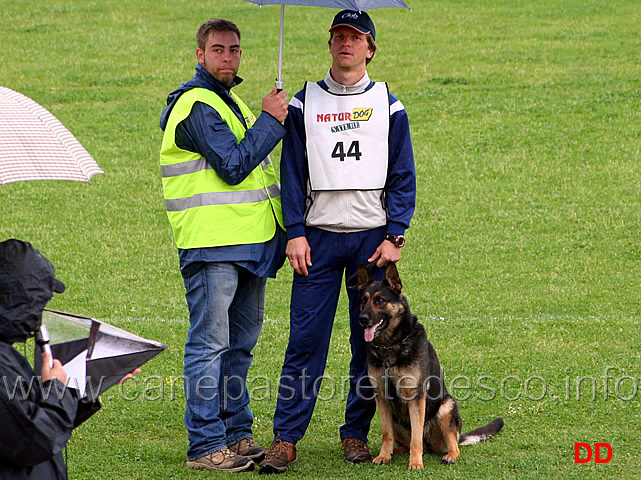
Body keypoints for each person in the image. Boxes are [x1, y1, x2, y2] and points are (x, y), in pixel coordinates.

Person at [259, 9, 416, 474]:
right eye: (339, 36)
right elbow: (291, 174)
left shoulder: (389, 104)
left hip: (372, 243)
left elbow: (403, 173)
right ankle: (286, 439)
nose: (346, 43)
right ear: (329, 45)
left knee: (369, 344)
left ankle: (354, 434)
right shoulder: (304, 103)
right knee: (305, 342)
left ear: (370, 48)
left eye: (356, 37)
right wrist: (295, 233)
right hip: (319, 241)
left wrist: (396, 235)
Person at [159, 18, 289, 473]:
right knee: (210, 345)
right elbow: (234, 166)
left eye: (235, 50)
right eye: (218, 50)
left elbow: (259, 170)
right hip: (213, 247)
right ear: (200, 55)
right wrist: (271, 119)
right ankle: (205, 445)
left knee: (240, 347)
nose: (228, 58)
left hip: (251, 245)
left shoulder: (229, 105)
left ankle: (236, 435)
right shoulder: (196, 106)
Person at [0, 239, 140, 479]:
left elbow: (40, 420)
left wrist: (88, 385)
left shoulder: (6, 354)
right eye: (37, 306)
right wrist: (57, 390)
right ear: (16, 301)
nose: (38, 320)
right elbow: (33, 440)